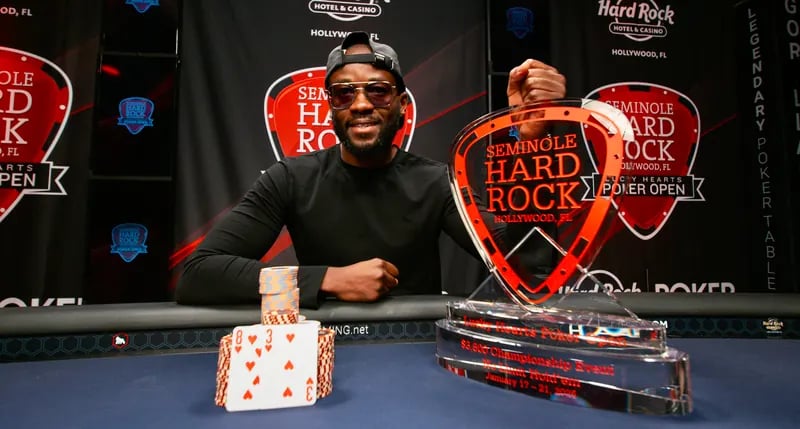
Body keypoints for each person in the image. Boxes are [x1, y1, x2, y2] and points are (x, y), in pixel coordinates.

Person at [175, 31, 566, 309]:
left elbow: (525, 266)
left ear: (401, 105)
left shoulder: (437, 183)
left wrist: (530, 144)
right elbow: (198, 274)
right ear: (331, 108)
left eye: (377, 90)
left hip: (414, 349)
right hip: (320, 350)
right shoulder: (291, 178)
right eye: (344, 93)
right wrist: (328, 280)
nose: (361, 104)